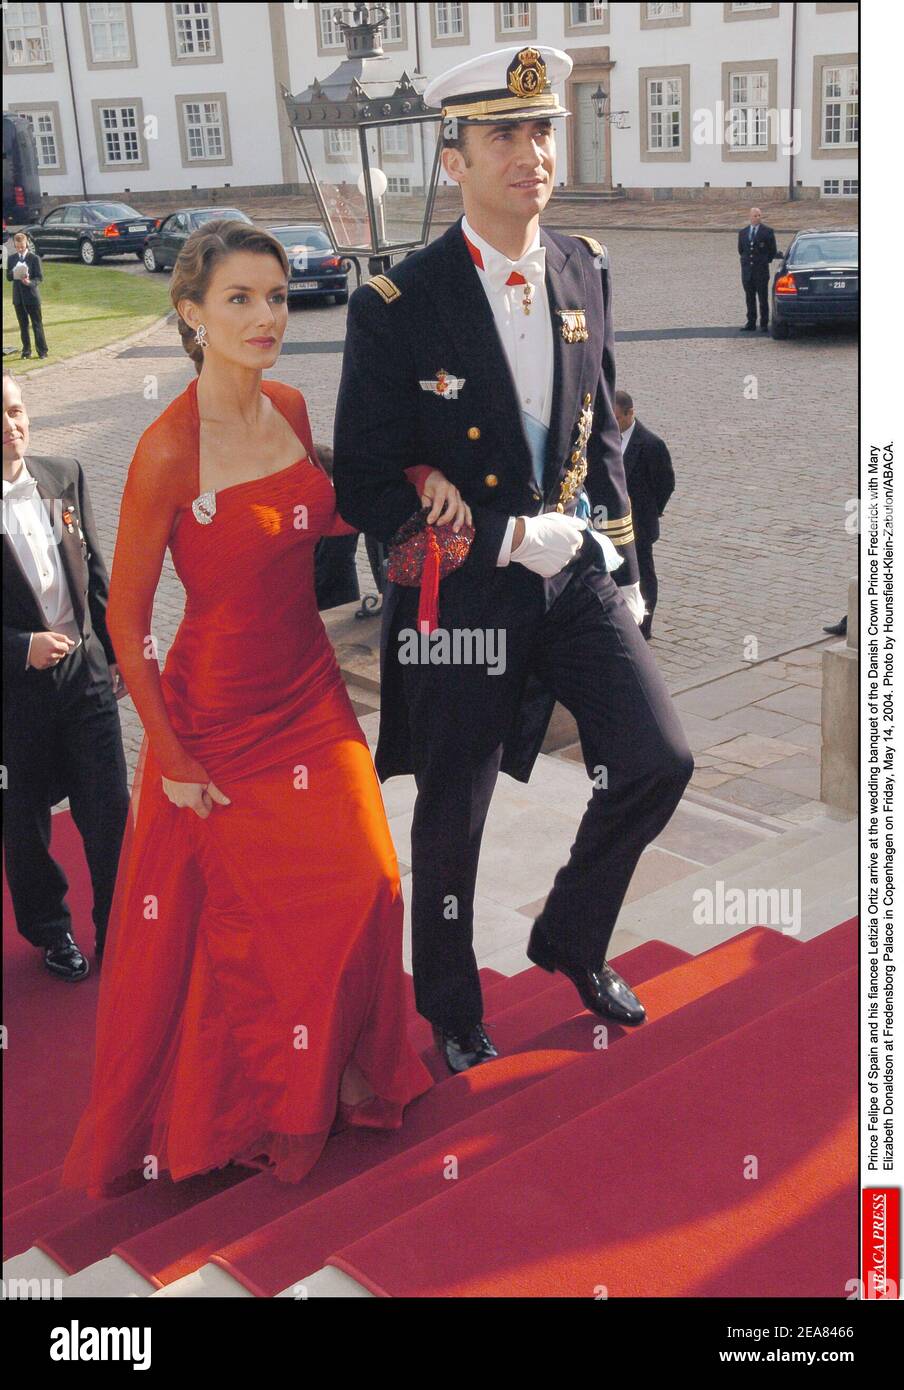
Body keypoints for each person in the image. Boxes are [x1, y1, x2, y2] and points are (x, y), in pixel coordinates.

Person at [60, 220, 463, 1196]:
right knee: (254, 922)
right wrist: (171, 756)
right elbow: (124, 620)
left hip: (310, 692)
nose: (265, 316)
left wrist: (419, 481)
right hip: (220, 718)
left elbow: (323, 510)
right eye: (239, 298)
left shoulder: (287, 403)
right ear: (192, 314)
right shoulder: (167, 451)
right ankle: (272, 1098)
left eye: (276, 297)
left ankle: (343, 1063)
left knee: (369, 880)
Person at [333, 46, 695, 1075]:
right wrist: (497, 536)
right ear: (453, 159)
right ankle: (452, 1007)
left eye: (542, 131)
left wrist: (626, 568)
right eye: (504, 135)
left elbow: (603, 426)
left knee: (657, 757)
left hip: (574, 572)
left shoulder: (584, 263)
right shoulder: (397, 302)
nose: (532, 153)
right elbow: (362, 481)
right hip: (467, 591)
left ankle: (571, 936)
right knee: (454, 809)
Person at [2, 367, 128, 979]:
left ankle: (119, 927)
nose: (10, 425)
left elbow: (95, 571)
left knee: (109, 810)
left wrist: (116, 652)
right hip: (14, 697)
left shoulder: (63, 475)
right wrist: (19, 647)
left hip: (87, 678)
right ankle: (52, 932)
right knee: (25, 825)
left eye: (15, 410)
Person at [614, 389, 675, 641]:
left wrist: (652, 510)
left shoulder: (651, 444)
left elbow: (665, 484)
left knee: (644, 575)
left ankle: (644, 626)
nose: (613, 422)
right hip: (612, 523)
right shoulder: (604, 438)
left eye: (617, 418)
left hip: (639, 524)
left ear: (630, 413)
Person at [6, 230, 49, 359]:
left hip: (32, 296)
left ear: (27, 244)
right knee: (23, 326)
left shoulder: (34, 258)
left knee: (37, 324)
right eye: (17, 247)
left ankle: (42, 351)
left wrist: (29, 282)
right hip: (18, 298)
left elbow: (39, 278)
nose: (20, 249)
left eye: (22, 247)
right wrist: (15, 272)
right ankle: (26, 351)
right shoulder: (11, 258)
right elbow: (8, 277)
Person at [737, 207, 778, 332]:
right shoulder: (743, 232)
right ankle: (751, 322)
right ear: (750, 217)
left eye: (759, 215)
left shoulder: (767, 232)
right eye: (755, 216)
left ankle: (764, 323)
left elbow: (772, 251)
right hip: (747, 272)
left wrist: (764, 261)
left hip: (761, 271)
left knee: (763, 298)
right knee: (749, 298)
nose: (757, 218)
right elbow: (741, 250)